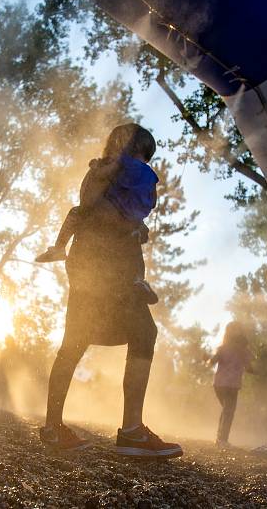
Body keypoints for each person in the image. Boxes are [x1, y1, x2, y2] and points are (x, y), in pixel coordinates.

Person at [39, 123, 182, 458]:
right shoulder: (101, 171)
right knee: (84, 343)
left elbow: (128, 214)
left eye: (147, 158)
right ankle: (120, 430)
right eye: (140, 154)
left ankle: (55, 427)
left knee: (114, 336)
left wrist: (137, 225)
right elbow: (85, 207)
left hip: (109, 270)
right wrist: (124, 222)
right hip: (95, 272)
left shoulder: (125, 178)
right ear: (121, 145)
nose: (143, 163)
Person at [35, 123, 159, 304]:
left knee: (76, 213)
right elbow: (153, 202)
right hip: (131, 221)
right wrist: (137, 218)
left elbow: (95, 187)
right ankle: (138, 280)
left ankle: (59, 248)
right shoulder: (150, 174)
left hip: (107, 215)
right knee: (134, 246)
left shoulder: (120, 163)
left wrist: (97, 169)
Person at [210, 321, 252, 447]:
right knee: (228, 410)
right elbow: (249, 368)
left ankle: (220, 438)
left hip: (220, 384)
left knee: (226, 410)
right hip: (231, 385)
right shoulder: (243, 350)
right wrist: (263, 372)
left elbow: (212, 361)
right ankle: (222, 439)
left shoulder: (224, 348)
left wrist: (207, 358)